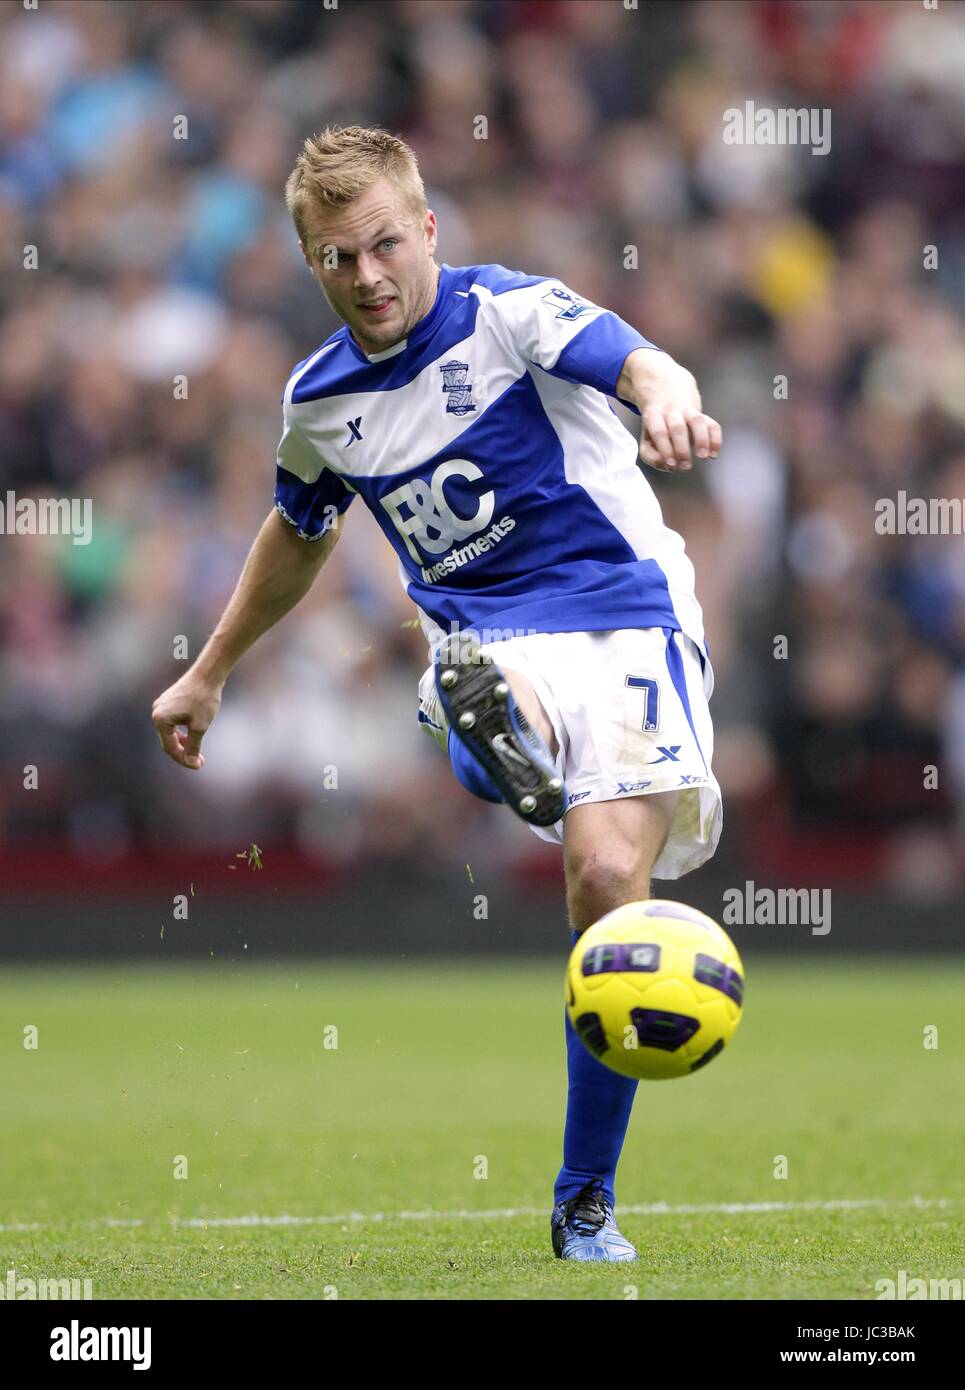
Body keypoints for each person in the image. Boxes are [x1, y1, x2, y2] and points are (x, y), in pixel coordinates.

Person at [152, 125, 723, 1263]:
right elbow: (299, 531)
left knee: (610, 880)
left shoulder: (510, 312)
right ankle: (489, 732)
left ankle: (581, 1200)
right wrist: (208, 667)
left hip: (622, 617)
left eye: (380, 247)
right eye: (334, 259)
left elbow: (636, 359)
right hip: (488, 637)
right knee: (473, 679)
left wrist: (664, 398)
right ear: (308, 262)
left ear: (425, 229)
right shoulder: (317, 403)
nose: (364, 277)